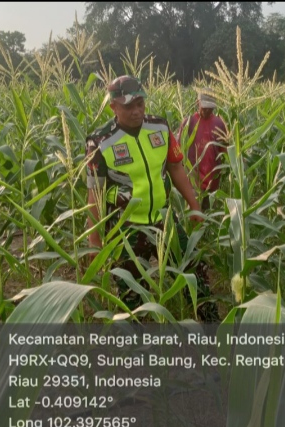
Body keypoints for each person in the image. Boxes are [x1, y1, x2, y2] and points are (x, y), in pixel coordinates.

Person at [85, 75, 219, 322]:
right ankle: (137, 348)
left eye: (140, 104)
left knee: (194, 272)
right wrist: (95, 240)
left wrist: (194, 206)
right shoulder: (100, 141)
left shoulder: (159, 128)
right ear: (113, 106)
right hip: (125, 229)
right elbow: (95, 192)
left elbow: (176, 168)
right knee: (131, 294)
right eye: (128, 106)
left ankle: (214, 329)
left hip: (163, 219)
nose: (136, 111)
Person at [177, 89, 228, 211]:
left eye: (210, 108)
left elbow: (224, 150)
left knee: (209, 215)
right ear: (197, 103)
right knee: (194, 216)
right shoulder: (189, 122)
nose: (207, 110)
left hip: (212, 181)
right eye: (204, 107)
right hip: (192, 181)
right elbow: (179, 149)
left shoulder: (219, 123)